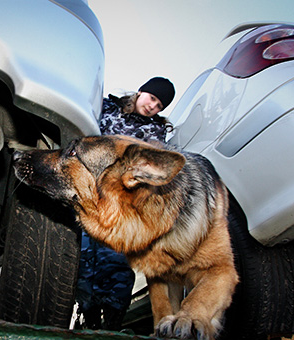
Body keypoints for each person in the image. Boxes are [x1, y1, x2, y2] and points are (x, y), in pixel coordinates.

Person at [76, 77, 175, 331]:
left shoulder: (156, 133)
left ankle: (112, 321)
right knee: (85, 259)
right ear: (141, 92)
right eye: (152, 98)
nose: (153, 107)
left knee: (117, 262)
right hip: (90, 194)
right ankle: (86, 315)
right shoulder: (107, 108)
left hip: (122, 204)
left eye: (160, 106)